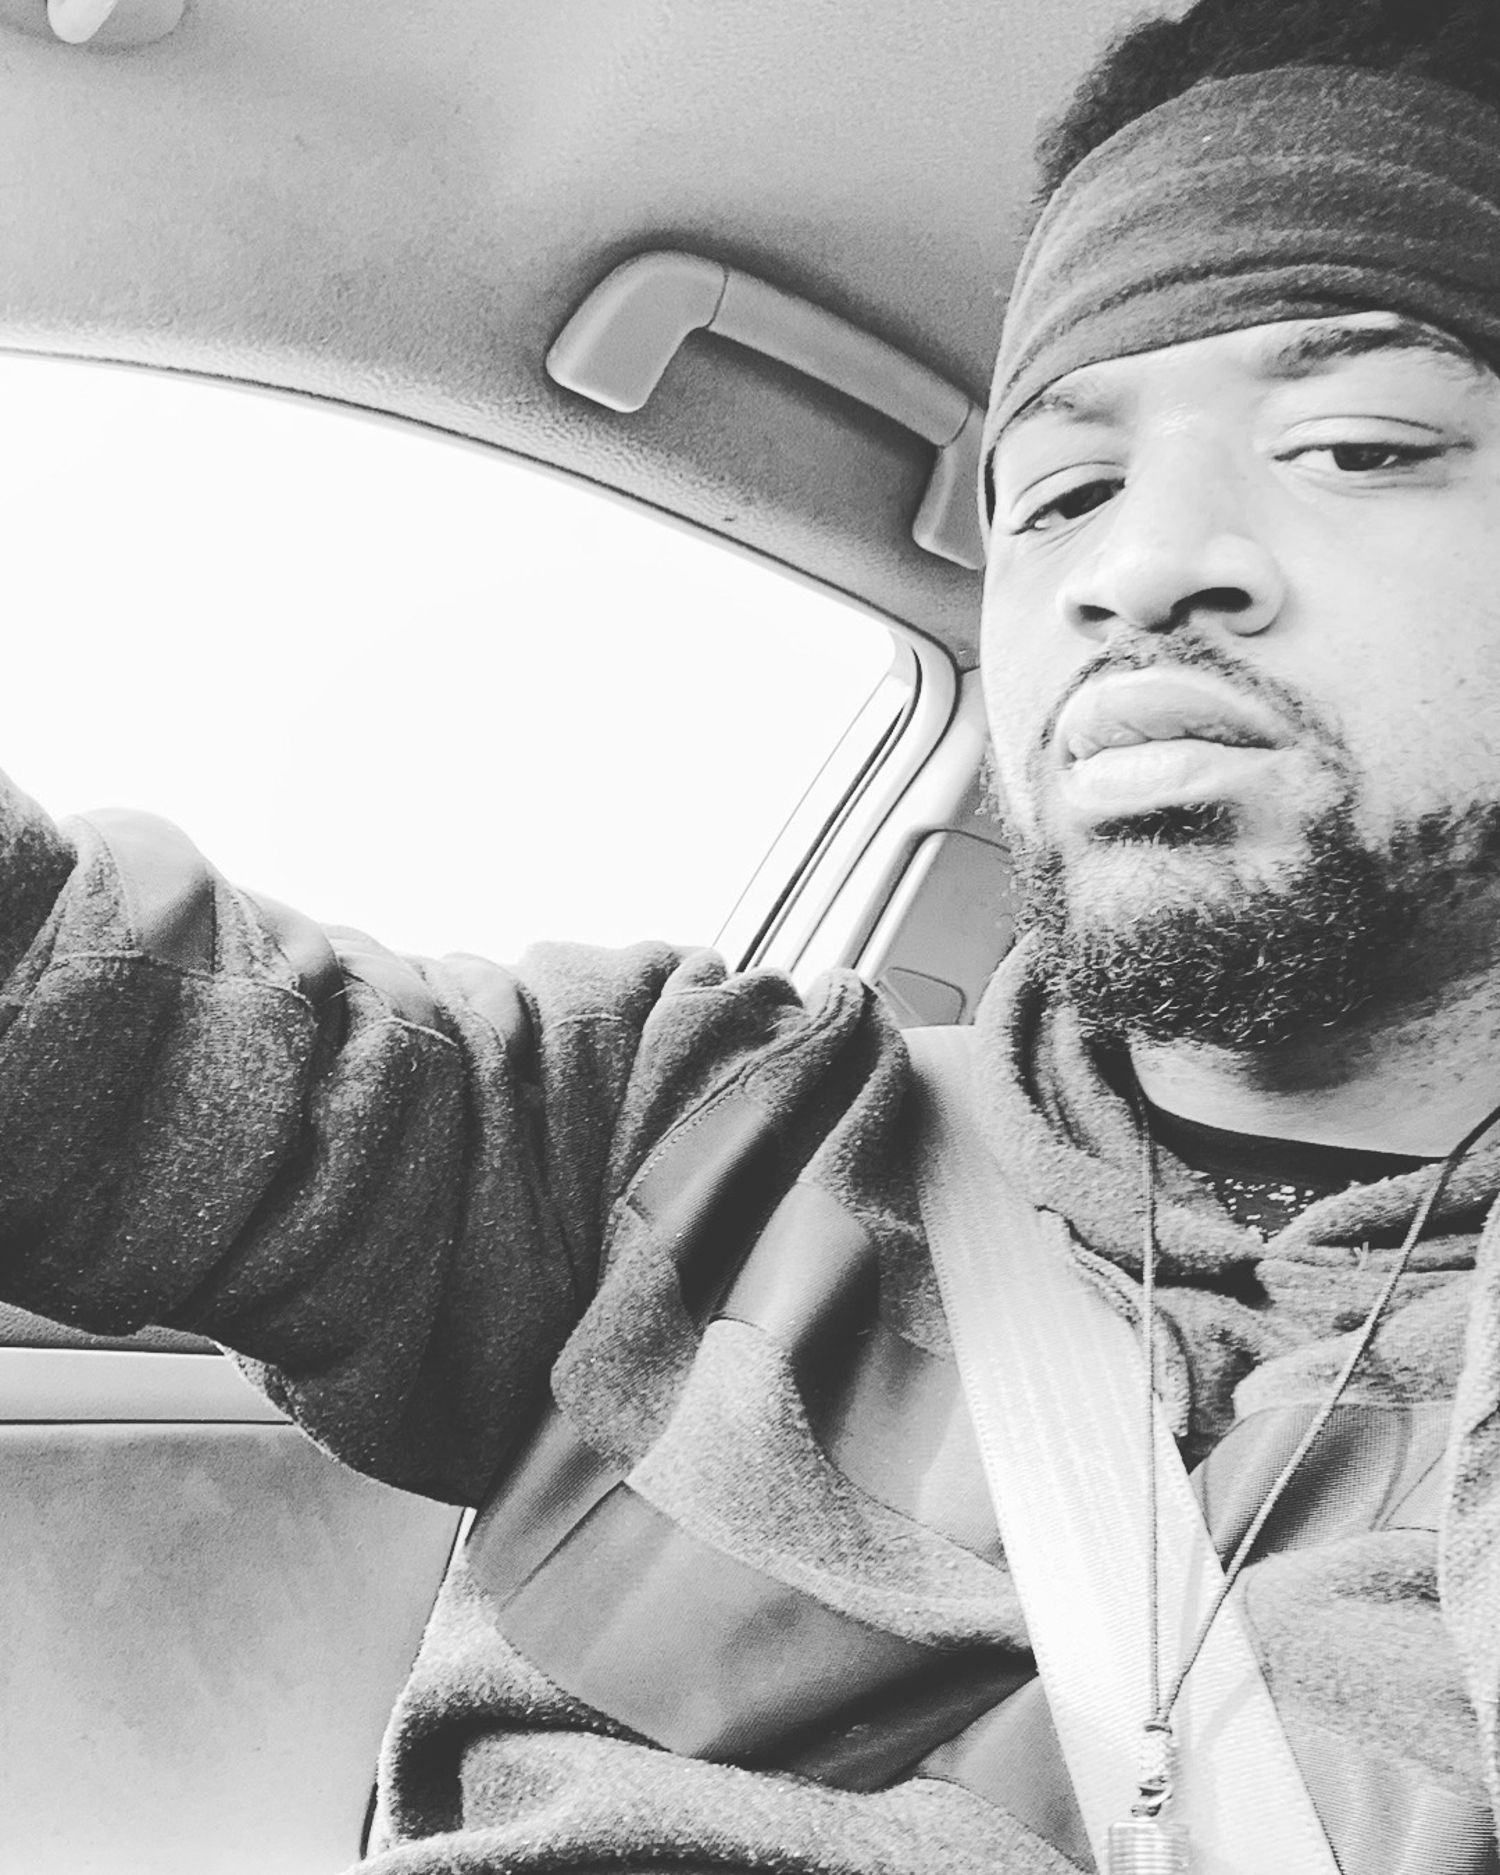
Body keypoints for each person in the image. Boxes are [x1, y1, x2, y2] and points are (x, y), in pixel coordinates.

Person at [6, 0, 1500, 1867]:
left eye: (1356, 445)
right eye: (1060, 495)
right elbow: (70, 1014)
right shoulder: (687, 1123)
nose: (1134, 567)